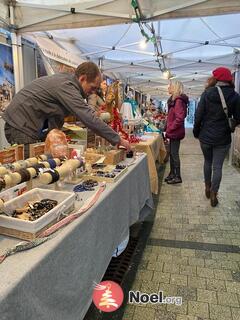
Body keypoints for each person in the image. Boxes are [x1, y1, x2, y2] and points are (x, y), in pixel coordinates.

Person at [3, 62, 130, 158]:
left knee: (44, 162)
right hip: (20, 127)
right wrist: (117, 139)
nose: (92, 92)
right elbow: (87, 117)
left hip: (28, 125)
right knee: (31, 168)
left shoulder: (68, 83)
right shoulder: (67, 86)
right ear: (82, 79)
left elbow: (55, 114)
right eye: (92, 88)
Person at [193, 67, 240, 207]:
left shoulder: (207, 93)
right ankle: (214, 193)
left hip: (206, 136)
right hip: (223, 137)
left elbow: (198, 115)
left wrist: (196, 132)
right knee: (218, 166)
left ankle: (207, 187)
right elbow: (238, 117)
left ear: (215, 79)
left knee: (208, 162)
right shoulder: (235, 96)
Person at [165, 80, 189, 184]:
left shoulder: (178, 101)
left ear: (175, 87)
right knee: (171, 153)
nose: (168, 88)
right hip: (173, 131)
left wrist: (170, 128)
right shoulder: (173, 100)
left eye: (170, 86)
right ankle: (172, 173)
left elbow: (180, 118)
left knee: (174, 154)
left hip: (175, 132)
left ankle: (177, 176)